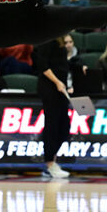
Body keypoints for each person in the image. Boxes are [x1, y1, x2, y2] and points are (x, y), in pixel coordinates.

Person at [33, 36, 73, 178]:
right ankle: (49, 163)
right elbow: (42, 65)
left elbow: (62, 65)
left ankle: (52, 160)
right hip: (49, 88)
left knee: (64, 127)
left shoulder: (61, 40)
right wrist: (56, 82)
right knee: (52, 125)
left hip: (60, 88)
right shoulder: (47, 39)